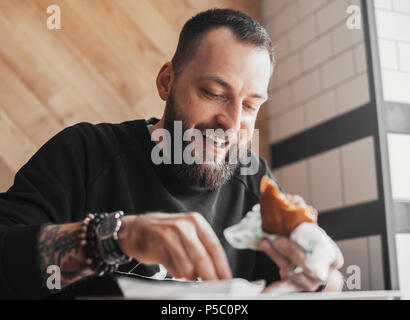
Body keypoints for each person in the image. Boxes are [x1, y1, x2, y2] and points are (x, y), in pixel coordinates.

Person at [0, 8, 343, 299]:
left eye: (251, 105)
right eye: (213, 93)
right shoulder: (86, 153)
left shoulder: (254, 181)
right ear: (166, 82)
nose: (232, 123)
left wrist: (321, 272)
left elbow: (328, 286)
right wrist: (116, 237)